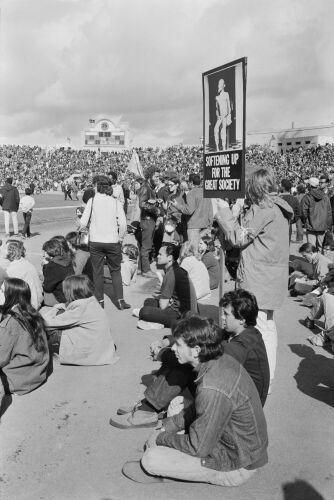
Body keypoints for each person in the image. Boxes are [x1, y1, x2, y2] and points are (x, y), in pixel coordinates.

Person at [121, 315, 268, 486]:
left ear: (197, 350)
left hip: (236, 463)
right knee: (177, 405)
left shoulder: (211, 387)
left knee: (151, 458)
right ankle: (172, 446)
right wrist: (170, 425)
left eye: (179, 345)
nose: (174, 348)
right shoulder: (218, 360)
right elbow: (199, 407)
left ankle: (168, 470)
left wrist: (162, 438)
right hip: (237, 444)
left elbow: (198, 447)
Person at [110, 289, 270, 430]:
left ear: (241, 319)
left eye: (227, 314)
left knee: (185, 362)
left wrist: (166, 354)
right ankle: (150, 404)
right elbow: (204, 335)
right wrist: (168, 341)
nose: (222, 317)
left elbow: (207, 355)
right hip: (230, 392)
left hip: (239, 407)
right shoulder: (237, 332)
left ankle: (149, 408)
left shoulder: (245, 343)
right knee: (183, 354)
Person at [215, 168, 293, 386]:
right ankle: (268, 374)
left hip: (258, 277)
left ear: (254, 187)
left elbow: (239, 238)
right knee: (267, 325)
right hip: (270, 276)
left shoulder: (264, 209)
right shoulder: (278, 207)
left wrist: (225, 213)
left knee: (257, 328)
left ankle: (261, 379)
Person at [41, 275, 119, 366]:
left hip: (91, 349)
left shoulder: (81, 307)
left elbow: (50, 323)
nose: (63, 293)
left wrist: (36, 318)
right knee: (60, 313)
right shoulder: (90, 301)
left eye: (65, 291)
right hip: (98, 341)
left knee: (51, 332)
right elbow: (65, 307)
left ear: (71, 293)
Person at [80, 175, 129, 310]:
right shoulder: (115, 202)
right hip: (112, 240)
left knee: (97, 271)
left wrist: (82, 228)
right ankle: (120, 300)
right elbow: (123, 224)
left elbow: (83, 222)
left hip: (96, 240)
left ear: (98, 186)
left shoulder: (93, 200)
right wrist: (120, 238)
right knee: (115, 271)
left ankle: (100, 301)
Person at [0, 278, 49, 413]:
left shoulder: (11, 323)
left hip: (17, 379)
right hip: (36, 373)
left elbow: (1, 358)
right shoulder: (31, 312)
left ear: (12, 296)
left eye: (2, 291)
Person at [133, 244, 195, 330]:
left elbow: (163, 306)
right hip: (183, 308)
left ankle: (159, 323)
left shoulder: (171, 274)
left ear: (170, 258)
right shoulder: (176, 269)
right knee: (148, 301)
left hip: (180, 315)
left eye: (160, 254)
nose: (157, 256)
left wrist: (164, 296)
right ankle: (158, 321)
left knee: (144, 311)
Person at [171, 173, 213, 249]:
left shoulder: (191, 193)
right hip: (205, 225)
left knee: (193, 249)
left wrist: (177, 205)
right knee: (202, 248)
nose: (187, 184)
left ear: (191, 182)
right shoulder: (206, 192)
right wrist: (209, 225)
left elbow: (189, 210)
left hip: (194, 226)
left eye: (188, 182)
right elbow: (210, 210)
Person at [6, 239, 43, 310]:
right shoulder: (27, 263)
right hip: (37, 300)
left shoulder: (13, 269)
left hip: (28, 306)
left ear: (11, 252)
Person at [137, 169, 160, 277]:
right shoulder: (145, 188)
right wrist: (155, 210)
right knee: (146, 247)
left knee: (146, 246)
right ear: (149, 176)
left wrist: (156, 203)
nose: (157, 179)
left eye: (158, 177)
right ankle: (146, 271)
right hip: (147, 220)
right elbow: (142, 204)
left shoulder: (150, 187)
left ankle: (142, 269)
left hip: (149, 219)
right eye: (156, 176)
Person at [301, 177, 332, 250]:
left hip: (311, 226)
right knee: (320, 247)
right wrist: (328, 225)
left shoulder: (307, 197)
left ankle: (313, 261)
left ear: (309, 185)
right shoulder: (326, 197)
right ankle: (319, 260)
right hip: (322, 226)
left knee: (311, 248)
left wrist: (305, 222)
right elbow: (329, 213)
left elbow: (303, 212)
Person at [42, 237, 75, 305]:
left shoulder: (52, 265)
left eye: (45, 252)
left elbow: (47, 288)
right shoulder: (68, 259)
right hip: (71, 294)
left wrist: (45, 267)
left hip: (62, 298)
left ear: (50, 251)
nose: (43, 254)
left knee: (41, 283)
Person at [214, 78, 231, 151]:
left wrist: (226, 115)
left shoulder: (226, 94)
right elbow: (217, 109)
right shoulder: (217, 98)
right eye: (218, 84)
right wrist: (218, 115)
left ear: (224, 85)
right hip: (220, 117)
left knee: (223, 130)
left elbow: (229, 107)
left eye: (220, 84)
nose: (219, 86)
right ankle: (217, 147)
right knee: (215, 129)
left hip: (225, 116)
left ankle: (224, 147)